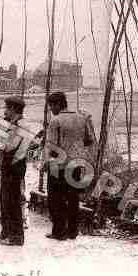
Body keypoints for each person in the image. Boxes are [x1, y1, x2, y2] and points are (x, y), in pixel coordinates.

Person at [44, 92, 96, 241]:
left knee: (55, 199)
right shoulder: (81, 118)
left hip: (57, 165)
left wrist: (45, 163)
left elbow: (51, 146)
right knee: (73, 198)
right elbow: (89, 140)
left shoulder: (55, 121)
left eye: (52, 106)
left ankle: (58, 231)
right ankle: (73, 231)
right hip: (76, 164)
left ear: (59, 104)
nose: (51, 109)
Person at [0, 96, 28, 246]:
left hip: (15, 166)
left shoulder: (21, 126)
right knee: (4, 199)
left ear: (13, 109)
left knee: (13, 201)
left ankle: (16, 237)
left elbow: (7, 146)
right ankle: (6, 231)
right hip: (7, 165)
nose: (4, 111)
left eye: (6, 108)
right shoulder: (11, 124)